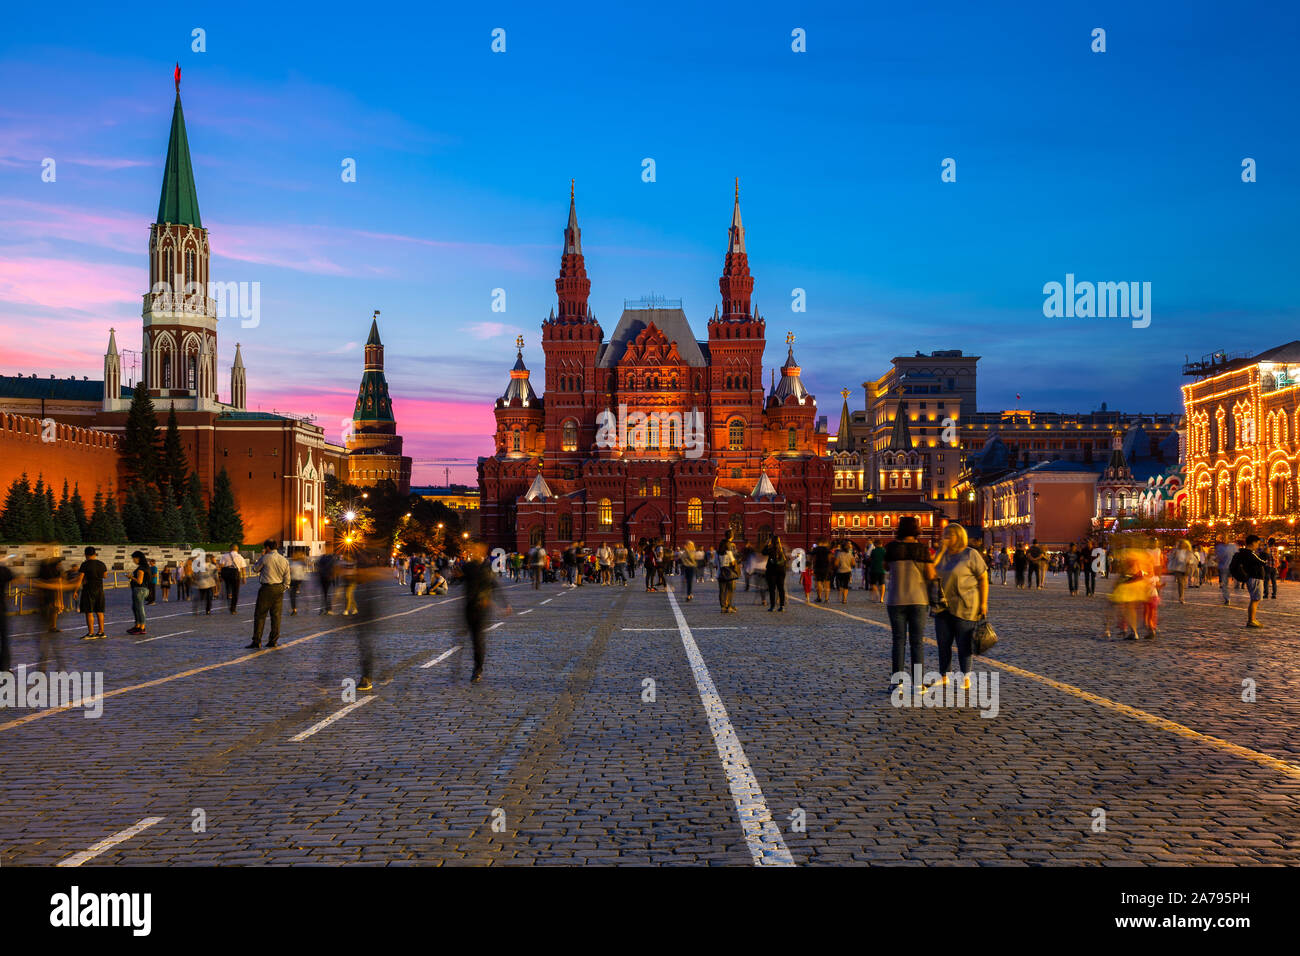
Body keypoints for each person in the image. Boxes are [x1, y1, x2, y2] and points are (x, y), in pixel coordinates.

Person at [931, 524, 989, 691]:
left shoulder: (970, 554)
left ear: (959, 536)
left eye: (949, 535)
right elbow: (931, 573)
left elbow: (983, 579)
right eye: (945, 535)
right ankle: (944, 675)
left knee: (964, 643)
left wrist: (983, 603)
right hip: (942, 606)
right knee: (943, 643)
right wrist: (941, 552)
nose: (946, 538)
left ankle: (965, 677)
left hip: (966, 605)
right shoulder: (942, 555)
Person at [885, 516, 934, 691]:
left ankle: (896, 683)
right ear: (916, 529)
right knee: (917, 642)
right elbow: (930, 575)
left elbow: (886, 567)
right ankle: (918, 683)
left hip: (895, 599)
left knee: (898, 641)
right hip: (918, 599)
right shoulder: (922, 549)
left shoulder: (891, 548)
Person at [462, 540, 510, 683]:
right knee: (473, 638)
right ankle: (477, 667)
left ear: (483, 551)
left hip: (482, 607)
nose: (475, 551)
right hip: (469, 606)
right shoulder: (468, 566)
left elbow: (494, 585)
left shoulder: (487, 568)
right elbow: (458, 581)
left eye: (478, 549)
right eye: (473, 549)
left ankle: (477, 669)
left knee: (478, 639)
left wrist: (504, 604)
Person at [246, 539, 290, 650]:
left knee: (260, 615)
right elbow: (287, 578)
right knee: (276, 616)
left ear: (267, 548)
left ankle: (257, 641)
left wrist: (261, 556)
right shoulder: (284, 560)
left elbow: (255, 569)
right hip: (279, 588)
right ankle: (273, 641)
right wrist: (283, 588)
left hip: (267, 588)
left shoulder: (265, 558)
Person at [1230, 535, 1267, 628]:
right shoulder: (1250, 553)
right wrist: (1265, 553)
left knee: (1255, 599)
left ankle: (1252, 619)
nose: (1258, 546)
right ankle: (1251, 620)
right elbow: (1262, 561)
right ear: (1253, 543)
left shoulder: (1243, 553)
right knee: (1255, 599)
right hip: (1255, 577)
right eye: (1258, 543)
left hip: (1252, 577)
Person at [74, 546, 108, 640]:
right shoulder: (101, 564)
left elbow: (80, 578)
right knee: (100, 611)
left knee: (89, 612)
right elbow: (105, 576)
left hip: (89, 590)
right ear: (95, 554)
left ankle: (91, 633)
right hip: (100, 590)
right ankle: (101, 632)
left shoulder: (85, 564)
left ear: (86, 555)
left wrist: (75, 590)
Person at [764, 535, 788, 612]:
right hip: (781, 571)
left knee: (772, 589)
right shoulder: (782, 549)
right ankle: (782, 606)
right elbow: (786, 559)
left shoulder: (771, 549)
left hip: (772, 571)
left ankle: (773, 606)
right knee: (781, 588)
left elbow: (763, 552)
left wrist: (767, 544)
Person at [128, 551, 149, 635]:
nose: (133, 560)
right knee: (135, 607)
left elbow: (139, 581)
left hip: (140, 590)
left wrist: (131, 577)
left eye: (134, 558)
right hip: (141, 590)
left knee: (139, 608)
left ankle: (142, 627)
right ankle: (137, 625)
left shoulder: (141, 569)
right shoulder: (144, 567)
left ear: (138, 558)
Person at [219, 544, 245, 614]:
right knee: (235, 592)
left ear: (230, 549)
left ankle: (229, 596)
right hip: (236, 574)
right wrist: (244, 578)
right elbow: (243, 568)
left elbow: (221, 566)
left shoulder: (224, 556)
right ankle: (233, 609)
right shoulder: (240, 557)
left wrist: (220, 576)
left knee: (228, 588)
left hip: (226, 574)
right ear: (237, 549)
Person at [716, 535, 739, 613]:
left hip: (720, 573)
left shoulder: (717, 553)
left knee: (722, 591)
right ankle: (729, 607)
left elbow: (716, 563)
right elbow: (733, 562)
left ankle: (723, 607)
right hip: (729, 574)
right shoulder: (729, 552)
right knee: (730, 590)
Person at [0, 554, 14, 673]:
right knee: (4, 638)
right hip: (1, 608)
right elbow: (12, 578)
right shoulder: (3, 570)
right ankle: (4, 666)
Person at [1215, 537, 1239, 606]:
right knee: (1224, 584)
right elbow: (1218, 557)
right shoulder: (1219, 547)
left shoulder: (1233, 546)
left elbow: (1237, 555)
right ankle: (1227, 598)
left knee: (1237, 579)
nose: (1225, 540)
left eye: (1226, 538)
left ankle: (1237, 584)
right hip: (1223, 568)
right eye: (1223, 538)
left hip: (1232, 566)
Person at [1168, 539, 1193, 604]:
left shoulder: (1188, 551)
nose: (1181, 545)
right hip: (1178, 568)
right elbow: (1171, 558)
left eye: (1182, 543)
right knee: (1180, 583)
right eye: (1180, 543)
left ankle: (1181, 595)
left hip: (1185, 568)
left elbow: (1191, 559)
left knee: (1183, 583)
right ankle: (1181, 597)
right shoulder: (1176, 551)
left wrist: (1189, 562)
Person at [288, 549, 309, 614]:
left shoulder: (298, 562)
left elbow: (290, 571)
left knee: (293, 594)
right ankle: (296, 608)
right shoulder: (295, 562)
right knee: (293, 594)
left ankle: (295, 609)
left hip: (298, 579)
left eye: (293, 555)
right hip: (294, 579)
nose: (292, 556)